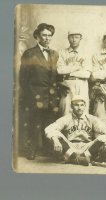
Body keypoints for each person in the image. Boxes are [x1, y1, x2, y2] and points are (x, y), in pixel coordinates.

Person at [19, 23, 60, 160]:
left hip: (51, 96)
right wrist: (31, 95)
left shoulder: (54, 54)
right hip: (35, 95)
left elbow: (55, 76)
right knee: (33, 123)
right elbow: (23, 78)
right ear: (38, 36)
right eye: (44, 35)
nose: (47, 38)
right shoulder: (29, 53)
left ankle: (47, 150)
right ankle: (32, 150)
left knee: (48, 123)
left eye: (49, 35)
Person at [45, 95, 106, 166]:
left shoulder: (91, 119)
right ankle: (78, 158)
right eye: (76, 105)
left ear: (85, 106)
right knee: (55, 134)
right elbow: (49, 128)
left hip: (87, 147)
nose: (79, 108)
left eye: (82, 105)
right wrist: (55, 139)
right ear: (71, 106)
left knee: (104, 137)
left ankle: (75, 158)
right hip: (70, 146)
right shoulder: (66, 118)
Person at [57, 29, 91, 116]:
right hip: (67, 84)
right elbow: (60, 70)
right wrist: (77, 67)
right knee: (66, 110)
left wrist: (69, 72)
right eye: (72, 37)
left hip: (82, 83)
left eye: (77, 37)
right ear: (68, 38)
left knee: (82, 111)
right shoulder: (62, 52)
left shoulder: (86, 52)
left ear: (80, 38)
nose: (74, 39)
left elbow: (87, 74)